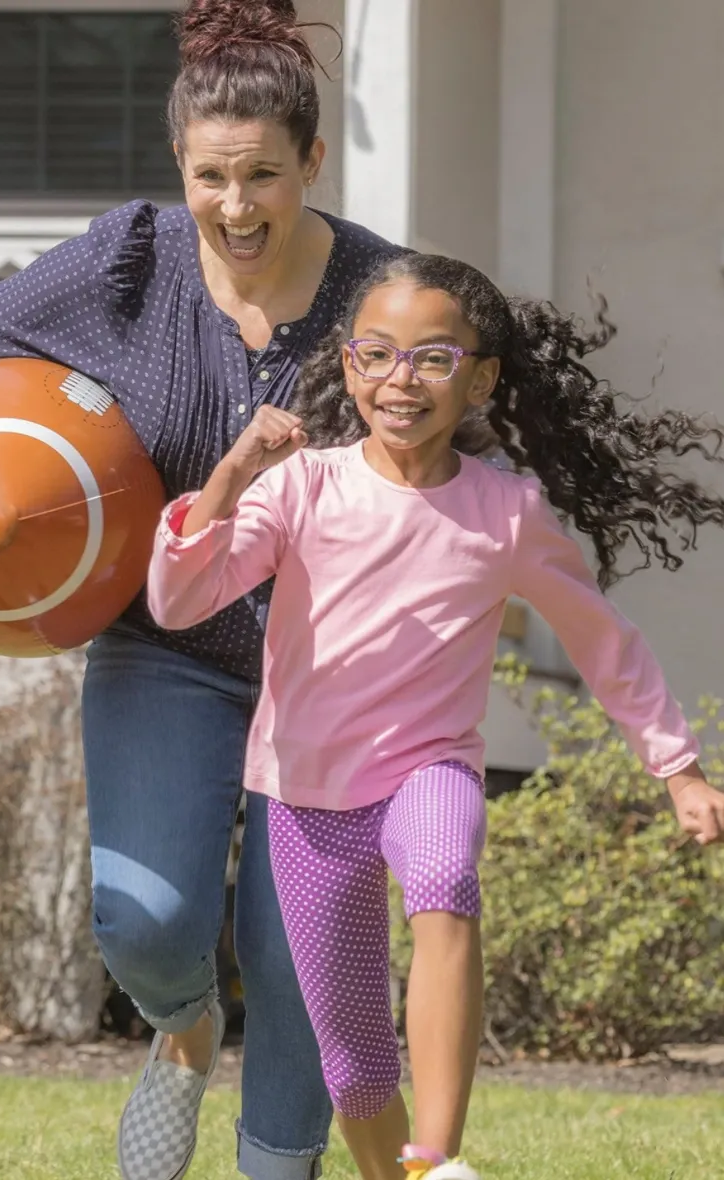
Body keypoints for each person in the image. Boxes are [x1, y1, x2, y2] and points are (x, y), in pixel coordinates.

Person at [0, 2, 407, 1175]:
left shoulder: (382, 297)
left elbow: (458, 465)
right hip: (170, 640)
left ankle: (275, 1161)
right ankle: (184, 1029)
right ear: (179, 164)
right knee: (147, 922)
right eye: (213, 176)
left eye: (264, 174)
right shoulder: (129, 256)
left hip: (335, 672)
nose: (238, 205)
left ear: (314, 160)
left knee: (300, 948)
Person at [145, 250, 724, 1180]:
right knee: (353, 1053)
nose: (399, 380)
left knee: (446, 874)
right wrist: (231, 475)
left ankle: (438, 1157)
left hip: (431, 767)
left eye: (432, 358)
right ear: (348, 368)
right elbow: (180, 599)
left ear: (481, 378)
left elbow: (601, 639)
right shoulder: (303, 488)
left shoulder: (507, 514)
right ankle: (396, 1175)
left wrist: (678, 768)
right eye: (375, 354)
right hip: (304, 790)